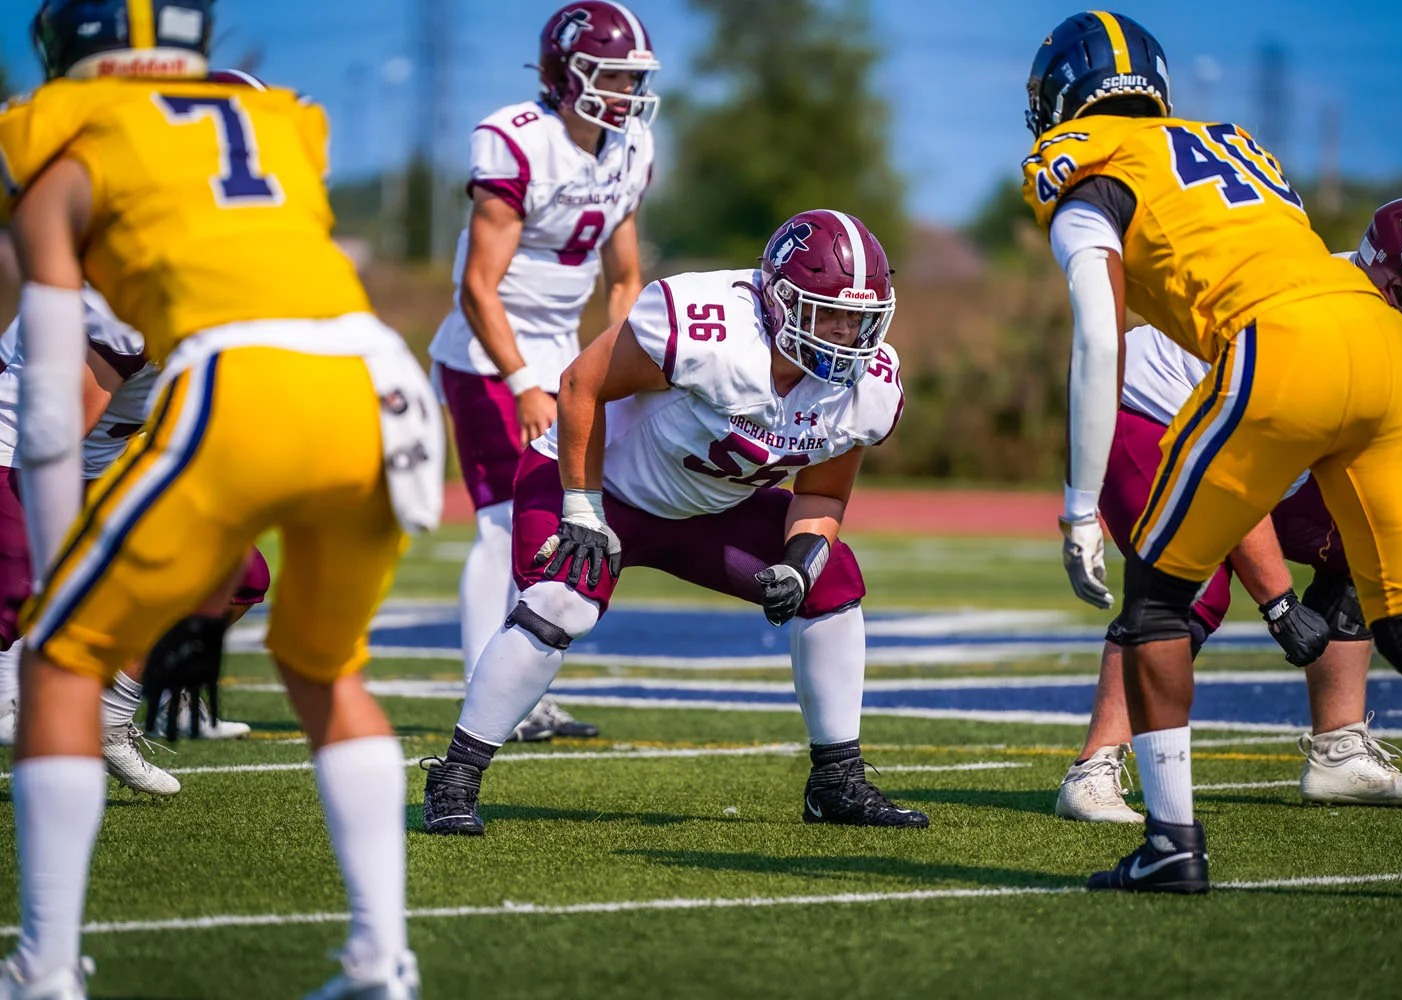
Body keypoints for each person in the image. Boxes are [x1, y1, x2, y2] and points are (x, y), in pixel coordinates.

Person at [1, 3, 445, 996]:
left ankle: (45, 969)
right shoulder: (281, 125)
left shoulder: (64, 150)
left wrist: (59, 595)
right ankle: (383, 962)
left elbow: (45, 408)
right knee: (326, 669)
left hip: (241, 381)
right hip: (382, 386)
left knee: (61, 660)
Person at [1022, 11, 1402, 893]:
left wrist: (1079, 505)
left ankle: (1170, 844)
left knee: (1159, 600)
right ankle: (1335, 744)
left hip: (1280, 349)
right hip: (1381, 344)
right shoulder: (1231, 143)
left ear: (1059, 100)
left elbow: (1100, 335)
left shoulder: (1088, 168)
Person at [420, 209, 929, 834]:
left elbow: (821, 494)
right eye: (828, 312)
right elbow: (581, 384)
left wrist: (799, 564)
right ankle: (456, 776)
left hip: (707, 509)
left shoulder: (868, 383)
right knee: (562, 602)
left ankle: (836, 780)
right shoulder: (703, 324)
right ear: (777, 299)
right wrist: (583, 506)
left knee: (831, 580)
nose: (845, 334)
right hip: (597, 486)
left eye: (860, 318)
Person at [1058, 307, 1402, 820]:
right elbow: (1233, 476)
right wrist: (1280, 605)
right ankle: (1092, 768)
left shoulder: (1371, 332)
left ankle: (1338, 754)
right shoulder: (1319, 337)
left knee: (1374, 536)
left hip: (1235, 438)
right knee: (1193, 581)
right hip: (1146, 409)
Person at [428, 0, 658, 742]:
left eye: (632, 77)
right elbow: (477, 287)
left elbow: (624, 275)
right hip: (487, 351)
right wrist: (524, 378)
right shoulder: (515, 140)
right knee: (501, 525)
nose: (624, 91)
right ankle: (482, 694)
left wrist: (609, 361)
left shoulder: (629, 146)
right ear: (565, 73)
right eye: (610, 75)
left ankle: (520, 690)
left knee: (561, 520)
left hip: (561, 350)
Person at [0, 292, 266, 799]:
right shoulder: (128, 307)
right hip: (24, 466)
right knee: (17, 607)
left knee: (236, 572)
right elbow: (57, 440)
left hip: (101, 471)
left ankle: (114, 716)